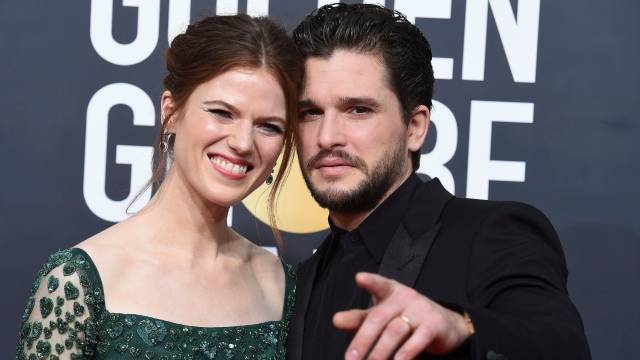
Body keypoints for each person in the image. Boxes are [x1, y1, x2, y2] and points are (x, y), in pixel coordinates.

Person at [287, 3, 591, 360]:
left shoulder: (491, 233)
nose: (327, 137)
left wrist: (460, 327)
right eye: (310, 113)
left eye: (358, 110)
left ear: (415, 127)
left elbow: (560, 344)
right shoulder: (303, 278)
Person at [17, 14, 302, 359]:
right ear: (172, 113)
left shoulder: (280, 286)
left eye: (268, 126)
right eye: (222, 113)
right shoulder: (79, 281)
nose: (243, 142)